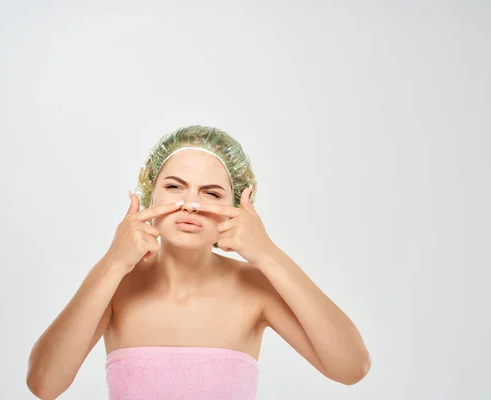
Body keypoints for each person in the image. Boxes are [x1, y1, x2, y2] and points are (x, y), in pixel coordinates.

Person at [26, 125, 371, 399]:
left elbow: (351, 368)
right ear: (149, 195)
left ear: (236, 207)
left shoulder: (255, 289)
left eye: (211, 192)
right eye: (175, 186)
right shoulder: (116, 286)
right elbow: (44, 385)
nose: (190, 204)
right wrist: (113, 263)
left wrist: (268, 253)